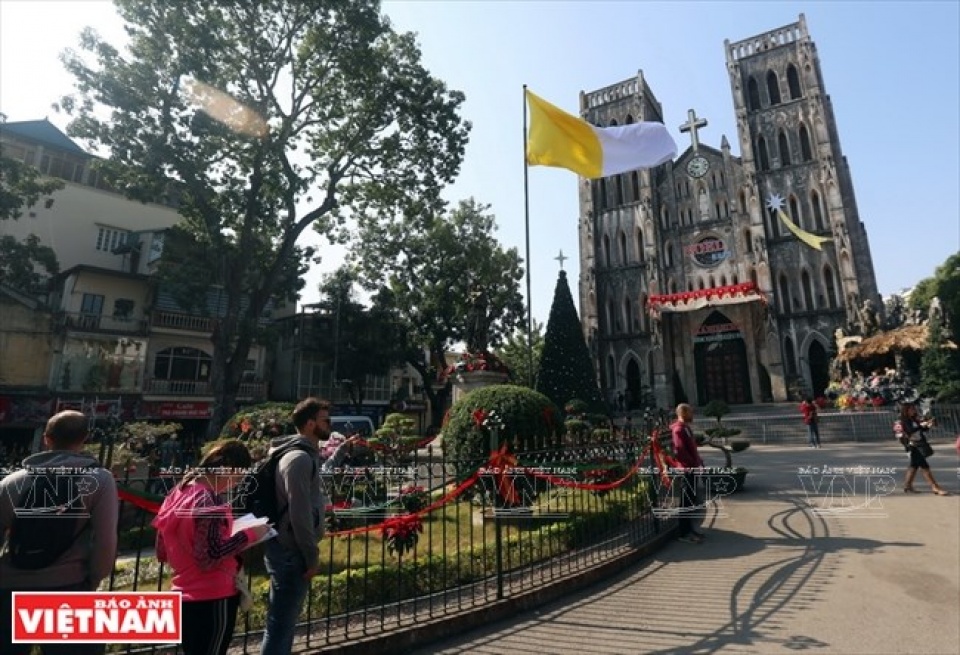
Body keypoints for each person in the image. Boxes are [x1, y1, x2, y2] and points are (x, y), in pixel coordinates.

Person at [0, 410, 118, 655]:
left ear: (46, 438)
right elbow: (105, 540)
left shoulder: (12, 482)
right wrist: (93, 579)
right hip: (69, 587)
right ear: (85, 438)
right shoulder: (100, 480)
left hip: (10, 591)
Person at [153, 439, 271, 655]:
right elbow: (210, 555)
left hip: (183, 593)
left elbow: (161, 549)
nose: (236, 483)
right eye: (239, 476)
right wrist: (252, 534)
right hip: (213, 595)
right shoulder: (210, 500)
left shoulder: (178, 493)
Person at [260, 397, 357, 655]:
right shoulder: (298, 459)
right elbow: (299, 514)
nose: (331, 424)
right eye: (326, 420)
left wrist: (341, 451)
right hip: (291, 553)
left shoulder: (307, 456)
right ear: (311, 423)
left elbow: (321, 477)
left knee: (285, 624)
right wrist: (311, 555)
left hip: (290, 550)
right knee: (280, 626)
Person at [670, 403, 705, 544]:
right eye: (690, 412)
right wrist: (692, 464)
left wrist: (699, 462)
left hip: (692, 468)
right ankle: (684, 533)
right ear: (683, 413)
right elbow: (680, 450)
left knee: (690, 500)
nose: (693, 414)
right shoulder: (678, 429)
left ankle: (690, 529)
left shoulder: (686, 428)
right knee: (686, 501)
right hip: (686, 470)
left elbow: (692, 448)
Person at [899, 403, 948, 496]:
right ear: (906, 410)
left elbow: (921, 430)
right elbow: (910, 431)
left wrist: (928, 425)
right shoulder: (905, 421)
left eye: (914, 408)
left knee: (914, 466)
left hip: (919, 443)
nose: (914, 410)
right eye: (912, 409)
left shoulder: (914, 419)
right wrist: (921, 425)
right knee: (925, 466)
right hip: (913, 446)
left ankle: (908, 486)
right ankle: (935, 487)